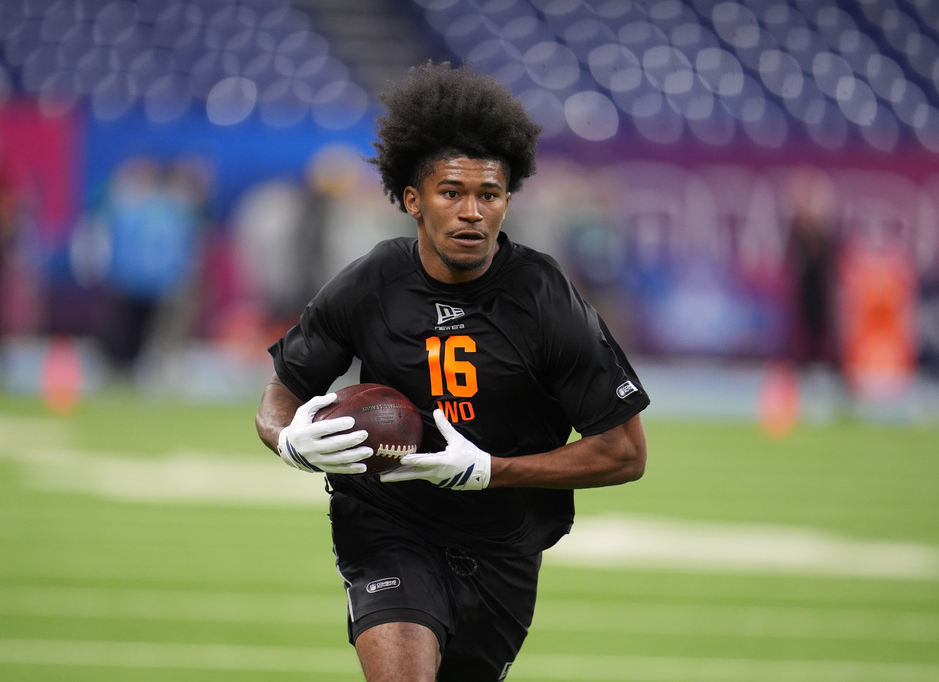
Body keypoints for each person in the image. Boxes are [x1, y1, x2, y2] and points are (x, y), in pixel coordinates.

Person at [255, 61, 649, 682]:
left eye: (488, 195)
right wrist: (289, 442)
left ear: (507, 202)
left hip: (503, 548)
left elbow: (624, 453)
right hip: (387, 526)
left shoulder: (544, 297)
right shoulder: (371, 282)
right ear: (412, 200)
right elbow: (284, 388)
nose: (471, 212)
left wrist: (492, 472)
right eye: (451, 193)